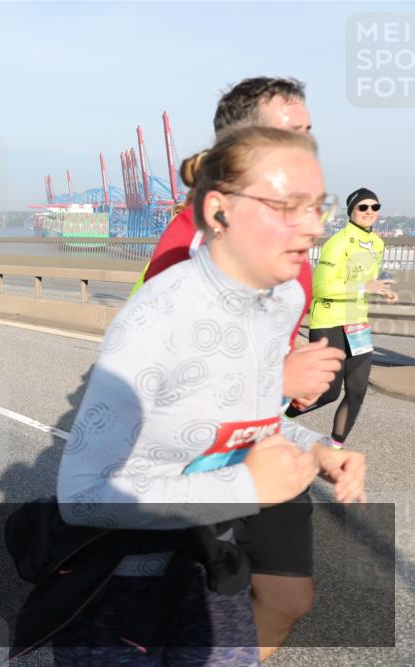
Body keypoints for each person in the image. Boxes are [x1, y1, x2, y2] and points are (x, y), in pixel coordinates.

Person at [54, 127, 367, 666]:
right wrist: (246, 487)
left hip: (215, 561)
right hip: (134, 574)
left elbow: (251, 414)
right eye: (286, 208)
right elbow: (80, 495)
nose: (313, 229)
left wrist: (313, 449)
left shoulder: (278, 301)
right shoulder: (159, 315)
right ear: (219, 211)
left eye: (318, 208)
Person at [128, 76, 346, 661]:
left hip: (265, 435)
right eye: (288, 132)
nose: (305, 144)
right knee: (182, 612)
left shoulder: (289, 236)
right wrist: (276, 379)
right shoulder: (188, 238)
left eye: (308, 132)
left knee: (288, 598)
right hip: (201, 455)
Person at [285, 188, 397, 447]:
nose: (369, 212)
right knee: (328, 393)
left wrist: (381, 290)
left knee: (357, 390)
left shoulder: (377, 243)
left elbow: (363, 280)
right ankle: (279, 419)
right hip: (329, 321)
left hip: (357, 323)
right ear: (352, 211)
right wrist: (364, 288)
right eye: (363, 207)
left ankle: (335, 447)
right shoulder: (339, 242)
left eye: (375, 207)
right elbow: (321, 288)